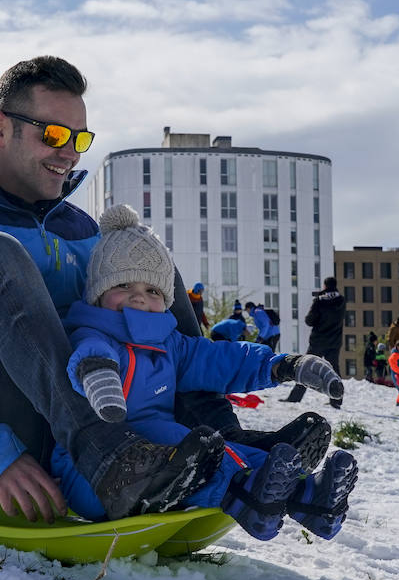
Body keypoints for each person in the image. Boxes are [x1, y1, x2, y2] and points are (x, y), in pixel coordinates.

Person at [0, 56, 264, 524]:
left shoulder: (82, 232)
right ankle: (107, 458)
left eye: (80, 139)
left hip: (74, 448)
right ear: (0, 127)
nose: (69, 153)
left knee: (150, 266)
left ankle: (225, 444)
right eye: (53, 135)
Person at [51, 205, 355, 540]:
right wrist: (100, 378)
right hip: (95, 472)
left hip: (155, 452)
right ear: (98, 292)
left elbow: (219, 359)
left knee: (234, 453)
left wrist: (283, 365)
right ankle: (248, 496)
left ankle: (309, 497)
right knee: (199, 452)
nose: (139, 298)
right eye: (123, 284)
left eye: (152, 290)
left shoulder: (170, 343)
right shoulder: (94, 332)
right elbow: (89, 356)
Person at [282, 277, 346, 408]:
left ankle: (295, 397)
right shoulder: (341, 300)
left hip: (319, 341)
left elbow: (309, 320)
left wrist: (318, 301)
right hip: (335, 341)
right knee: (334, 369)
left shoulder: (319, 301)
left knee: (305, 366)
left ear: (324, 286)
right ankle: (337, 398)